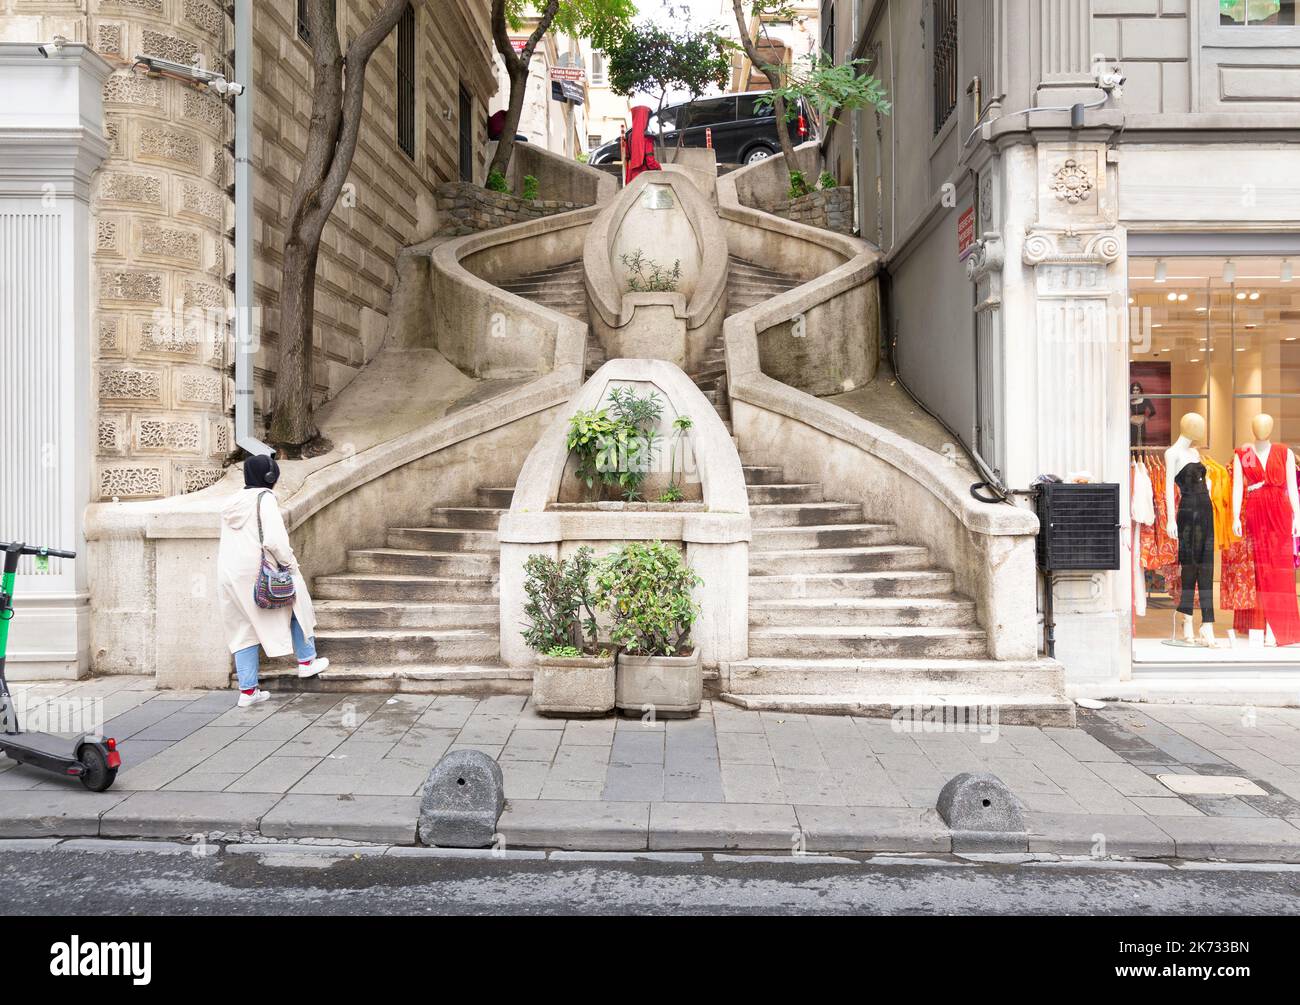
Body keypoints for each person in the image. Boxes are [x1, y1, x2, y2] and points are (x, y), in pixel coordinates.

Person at [218, 455, 328, 707]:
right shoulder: (264, 499)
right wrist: (290, 565)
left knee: (242, 628)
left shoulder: (231, 502)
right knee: (297, 602)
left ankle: (247, 692)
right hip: (260, 571)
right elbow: (275, 541)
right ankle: (307, 661)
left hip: (229, 574)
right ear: (270, 476)